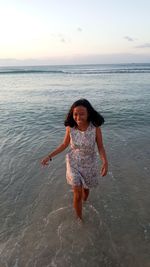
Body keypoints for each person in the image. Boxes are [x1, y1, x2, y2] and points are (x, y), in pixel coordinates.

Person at [41, 99, 108, 221]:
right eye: (75, 114)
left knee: (86, 190)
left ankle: (85, 201)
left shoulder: (95, 127)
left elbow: (100, 146)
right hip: (73, 162)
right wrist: (49, 156)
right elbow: (64, 144)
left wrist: (105, 162)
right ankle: (79, 220)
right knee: (77, 192)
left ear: (88, 114)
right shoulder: (70, 127)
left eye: (82, 113)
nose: (78, 117)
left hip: (89, 162)